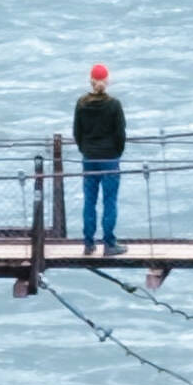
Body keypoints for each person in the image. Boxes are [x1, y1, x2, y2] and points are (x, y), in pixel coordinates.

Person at [73, 63, 128, 254]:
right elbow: (120, 133)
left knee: (89, 201)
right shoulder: (114, 105)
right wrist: (117, 152)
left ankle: (88, 244)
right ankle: (109, 244)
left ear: (91, 80)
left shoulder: (81, 103)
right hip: (110, 157)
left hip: (89, 158)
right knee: (109, 201)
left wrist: (85, 149)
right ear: (107, 80)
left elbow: (77, 132)